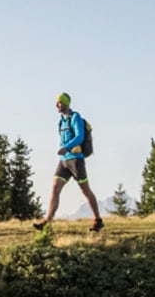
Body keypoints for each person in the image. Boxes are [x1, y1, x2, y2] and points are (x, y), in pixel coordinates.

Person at [34, 92, 103, 232]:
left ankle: (98, 220)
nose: (56, 105)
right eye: (56, 103)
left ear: (65, 103)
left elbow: (80, 136)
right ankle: (47, 221)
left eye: (59, 102)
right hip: (64, 161)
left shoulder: (75, 117)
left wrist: (67, 147)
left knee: (85, 190)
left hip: (76, 159)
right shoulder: (61, 120)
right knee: (55, 188)